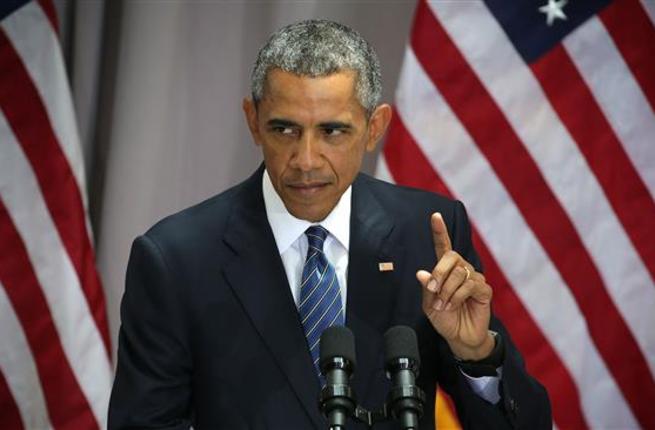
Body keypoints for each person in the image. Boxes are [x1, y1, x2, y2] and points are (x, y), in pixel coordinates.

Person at [108, 19, 550, 429]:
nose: (305, 160)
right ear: (253, 121)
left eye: (332, 132)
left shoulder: (425, 235)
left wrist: (474, 354)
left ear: (374, 127)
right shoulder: (176, 260)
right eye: (284, 130)